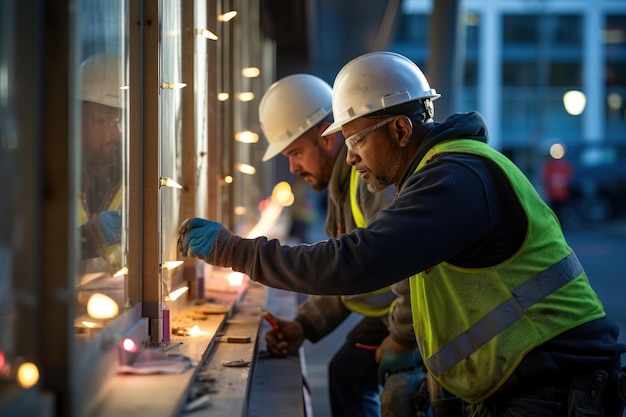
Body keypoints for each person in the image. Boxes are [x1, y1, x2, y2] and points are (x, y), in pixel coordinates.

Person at [178, 51, 626, 416]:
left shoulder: (454, 179)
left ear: (399, 128)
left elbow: (355, 262)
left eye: (355, 141)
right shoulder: (435, 175)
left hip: (551, 382)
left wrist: (232, 250)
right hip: (526, 381)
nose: (349, 157)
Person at [257, 73, 427, 417]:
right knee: (347, 374)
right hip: (397, 311)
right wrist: (305, 325)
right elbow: (351, 274)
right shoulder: (342, 190)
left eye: (296, 152)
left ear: (326, 137)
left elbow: (410, 260)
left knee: (354, 379)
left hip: (419, 316)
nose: (293, 168)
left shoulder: (368, 181)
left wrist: (404, 338)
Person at [78, 52, 124, 276]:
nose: (115, 132)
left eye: (117, 120)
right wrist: (85, 238)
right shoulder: (44, 179)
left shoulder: (122, 177)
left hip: (111, 303)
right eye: (101, 120)